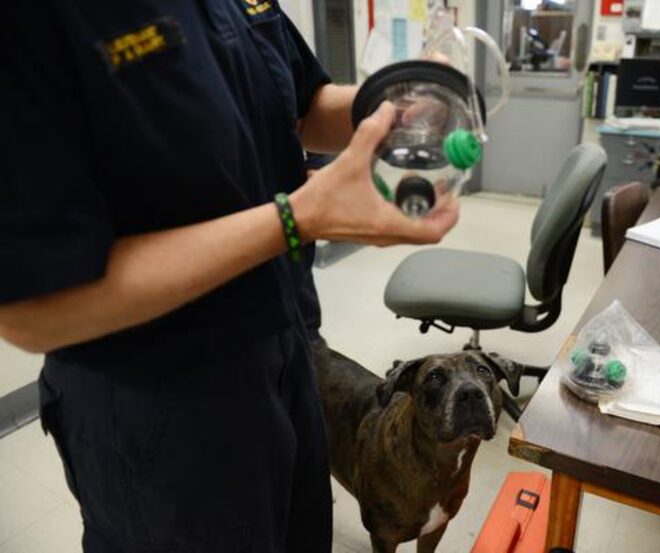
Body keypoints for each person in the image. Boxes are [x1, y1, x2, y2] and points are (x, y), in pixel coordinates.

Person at [0, 3, 459, 553]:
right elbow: (34, 311)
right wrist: (297, 218)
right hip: (160, 405)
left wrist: (387, 102)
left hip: (289, 351)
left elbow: (303, 103)